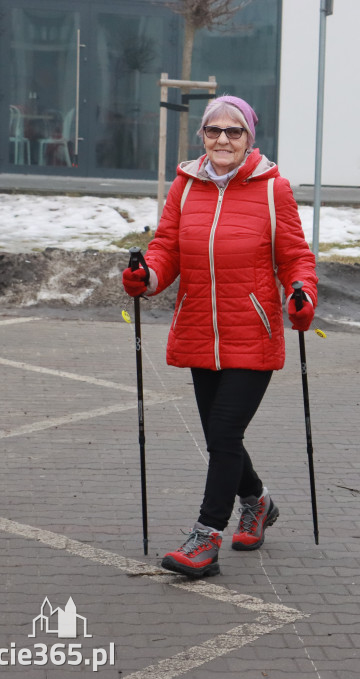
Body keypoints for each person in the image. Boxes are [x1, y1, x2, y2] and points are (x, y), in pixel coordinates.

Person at [122, 95, 318, 579]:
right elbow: (167, 247)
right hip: (199, 328)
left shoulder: (274, 191)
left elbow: (295, 258)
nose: (223, 140)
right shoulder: (185, 188)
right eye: (214, 131)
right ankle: (258, 502)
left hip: (252, 330)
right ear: (203, 136)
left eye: (234, 132)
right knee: (219, 436)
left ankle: (205, 539)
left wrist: (302, 293)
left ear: (250, 138)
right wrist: (146, 275)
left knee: (225, 434)